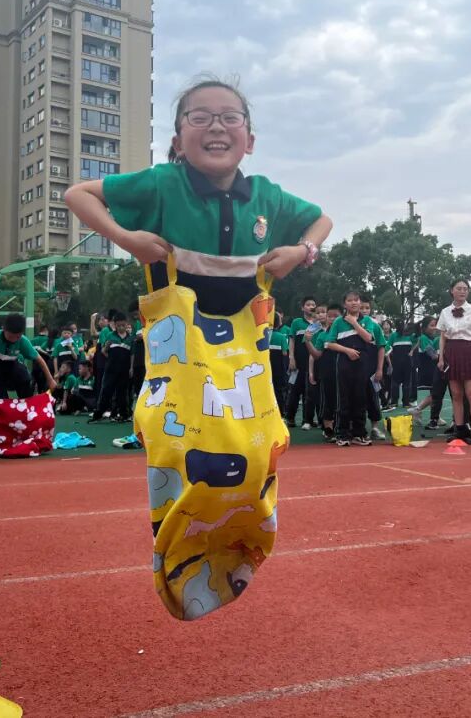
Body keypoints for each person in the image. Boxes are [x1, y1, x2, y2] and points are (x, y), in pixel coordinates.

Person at [65, 76, 331, 619]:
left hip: (244, 348)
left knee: (258, 451)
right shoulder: (162, 185)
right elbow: (78, 194)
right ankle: (178, 554)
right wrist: (128, 239)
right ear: (180, 136)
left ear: (249, 139)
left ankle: (236, 545)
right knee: (177, 448)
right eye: (200, 117)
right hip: (179, 346)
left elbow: (321, 220)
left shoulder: (267, 198)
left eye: (230, 117)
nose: (216, 126)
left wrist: (303, 251)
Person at [437, 279, 471, 445]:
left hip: (469, 350)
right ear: (452, 290)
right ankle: (459, 429)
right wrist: (441, 357)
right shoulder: (444, 312)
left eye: (465, 289)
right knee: (456, 394)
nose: (462, 291)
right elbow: (442, 337)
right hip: (451, 351)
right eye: (459, 288)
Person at [326, 291, 374, 446]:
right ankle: (342, 434)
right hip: (344, 363)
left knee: (360, 397)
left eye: (356, 300)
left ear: (360, 303)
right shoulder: (338, 322)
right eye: (350, 300)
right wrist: (347, 351)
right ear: (345, 304)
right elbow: (330, 343)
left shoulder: (367, 321)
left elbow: (369, 338)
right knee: (344, 398)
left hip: (362, 363)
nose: (354, 303)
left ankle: (359, 433)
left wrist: (354, 323)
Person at [0, 313, 56, 402]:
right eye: (11, 336)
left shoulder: (23, 341)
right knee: (0, 399)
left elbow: (39, 359)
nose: (14, 340)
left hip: (12, 365)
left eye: (18, 337)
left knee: (25, 378)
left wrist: (50, 380)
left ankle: (26, 403)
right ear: (4, 329)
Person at [285, 296, 319, 428]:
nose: (311, 306)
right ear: (302, 307)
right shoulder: (297, 322)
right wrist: (291, 358)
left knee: (310, 392)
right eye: (308, 304)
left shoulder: (318, 324)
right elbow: (292, 340)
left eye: (313, 304)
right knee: (295, 390)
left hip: (313, 363)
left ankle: (308, 419)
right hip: (298, 362)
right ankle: (290, 417)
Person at [359, 298, 387, 441]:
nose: (364, 311)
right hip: (355, 370)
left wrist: (379, 369)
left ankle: (375, 428)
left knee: (373, 399)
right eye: (361, 308)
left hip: (371, 371)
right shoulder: (349, 324)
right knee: (357, 399)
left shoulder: (375, 326)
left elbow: (381, 347)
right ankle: (358, 429)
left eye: (367, 308)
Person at [311, 302, 340, 442]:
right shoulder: (322, 335)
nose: (332, 319)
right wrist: (307, 342)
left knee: (343, 400)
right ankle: (328, 428)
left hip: (344, 373)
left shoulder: (345, 333)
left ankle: (342, 427)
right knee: (328, 400)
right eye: (330, 316)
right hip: (327, 373)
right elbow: (316, 355)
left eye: (336, 316)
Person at [98, 311, 134, 423]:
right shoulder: (110, 336)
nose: (121, 328)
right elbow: (103, 351)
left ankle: (124, 415)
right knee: (106, 390)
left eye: (123, 325)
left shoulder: (130, 338)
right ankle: (98, 414)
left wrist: (131, 368)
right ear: (115, 325)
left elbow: (132, 354)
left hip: (124, 370)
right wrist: (109, 356)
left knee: (122, 393)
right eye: (118, 325)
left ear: (126, 324)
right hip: (111, 369)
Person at [387, 320, 416, 408]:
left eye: (404, 325)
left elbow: (418, 341)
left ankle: (406, 402)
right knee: (395, 383)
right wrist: (390, 359)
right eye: (401, 325)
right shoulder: (393, 335)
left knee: (407, 383)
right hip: (396, 363)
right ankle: (394, 401)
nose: (403, 327)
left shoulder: (410, 335)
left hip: (408, 363)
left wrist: (412, 350)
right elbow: (388, 347)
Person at [267, 312, 290, 411]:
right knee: (279, 390)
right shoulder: (281, 337)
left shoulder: (263, 337)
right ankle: (280, 411)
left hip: (266, 367)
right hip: (279, 368)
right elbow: (285, 353)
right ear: (278, 323)